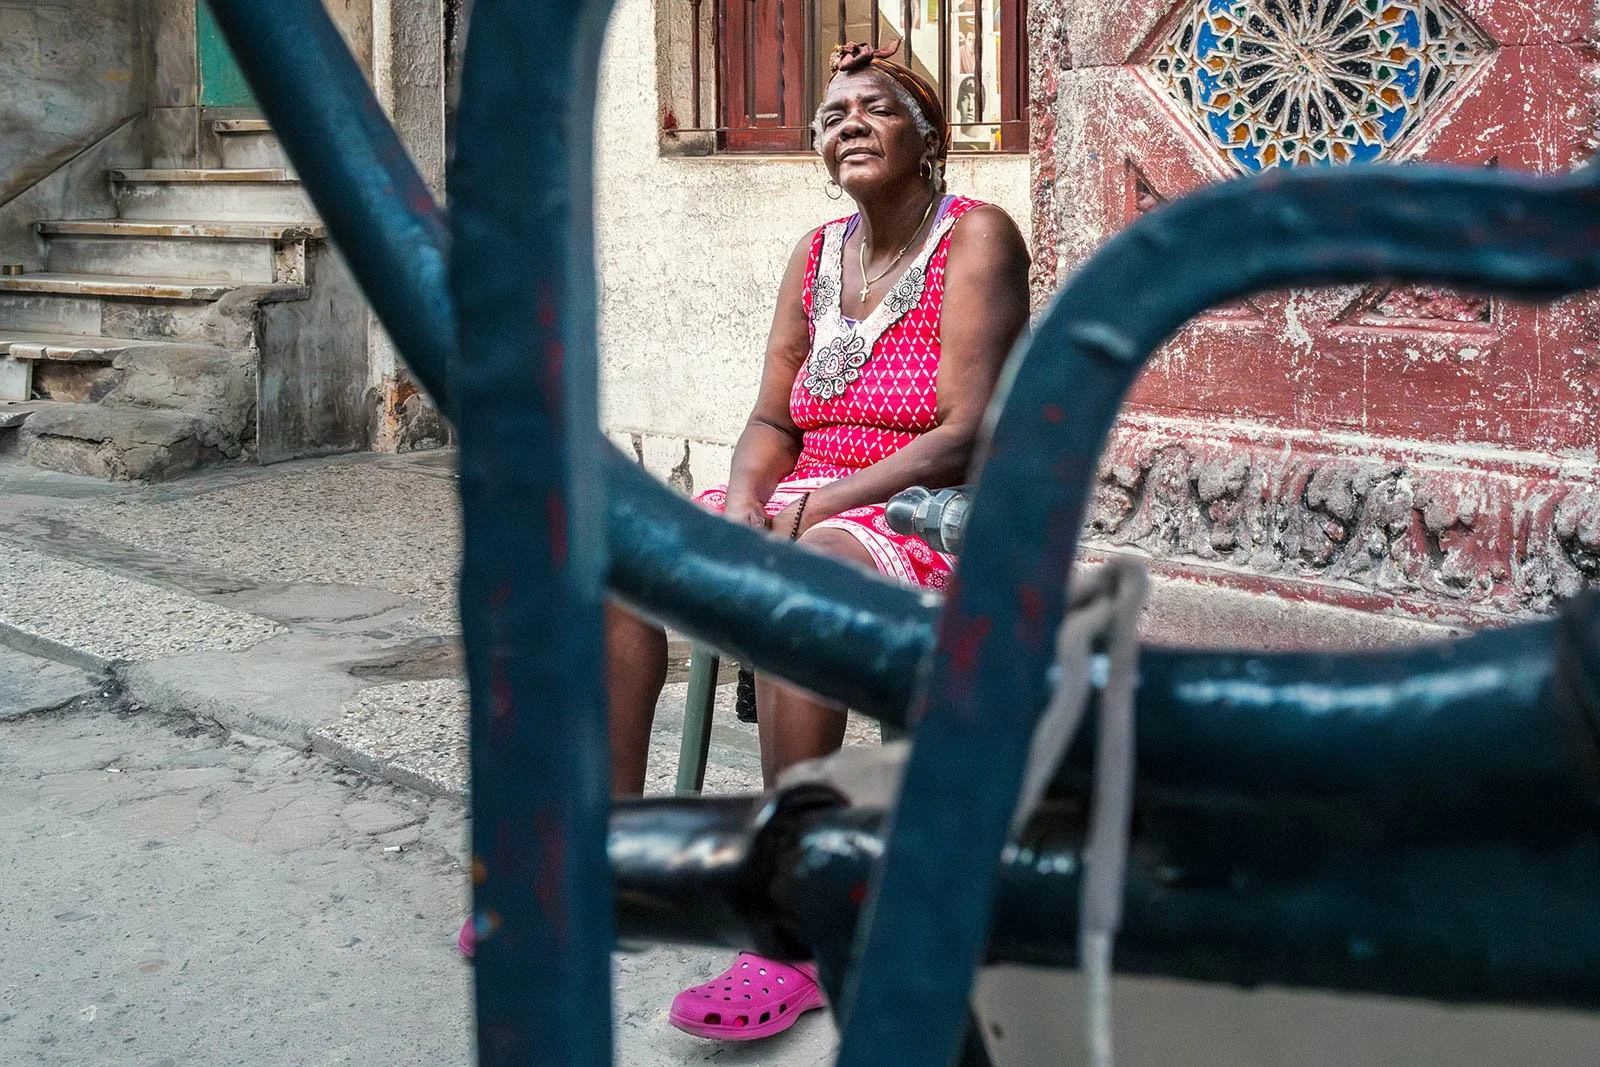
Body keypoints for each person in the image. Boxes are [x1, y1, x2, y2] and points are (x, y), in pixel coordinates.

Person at [461, 39, 1031, 1044]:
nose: (845, 122)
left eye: (875, 106)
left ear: (928, 133)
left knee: (797, 580)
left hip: (921, 504)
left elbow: (964, 430)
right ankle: (606, 861)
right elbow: (773, 418)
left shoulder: (977, 236)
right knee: (621, 561)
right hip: (802, 489)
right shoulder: (814, 254)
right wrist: (743, 503)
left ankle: (796, 924)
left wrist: (812, 509)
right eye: (830, 112)